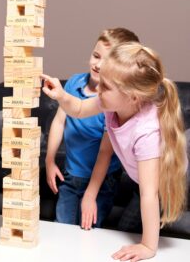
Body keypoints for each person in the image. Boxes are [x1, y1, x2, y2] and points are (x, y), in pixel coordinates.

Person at [42, 42, 187, 261]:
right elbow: (80, 109)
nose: (97, 89)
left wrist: (148, 246)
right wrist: (61, 95)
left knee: (133, 224)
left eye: (105, 86)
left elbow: (150, 194)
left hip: (163, 181)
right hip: (142, 177)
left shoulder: (146, 133)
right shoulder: (112, 104)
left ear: (133, 96)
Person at [46, 28, 140, 230]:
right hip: (71, 175)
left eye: (106, 61)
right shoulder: (73, 83)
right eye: (96, 56)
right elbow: (59, 121)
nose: (98, 65)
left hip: (101, 181)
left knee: (88, 230)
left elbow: (105, 153)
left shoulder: (113, 100)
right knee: (61, 227)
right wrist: (49, 160)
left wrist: (90, 194)